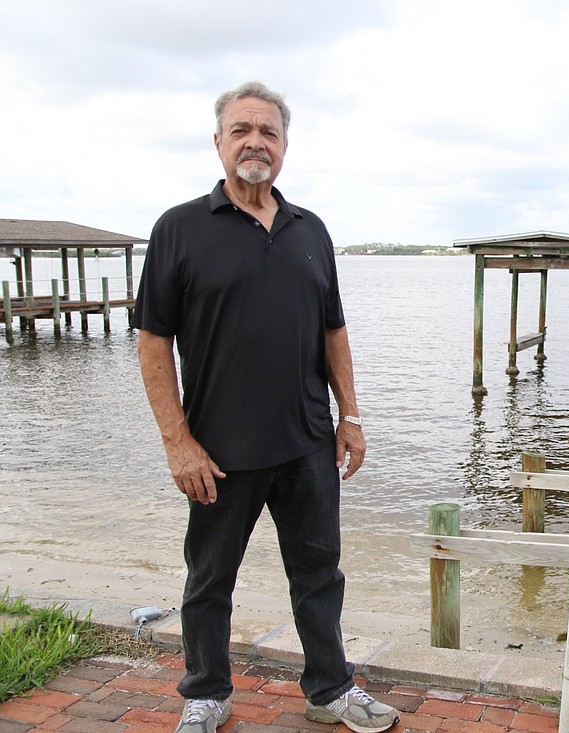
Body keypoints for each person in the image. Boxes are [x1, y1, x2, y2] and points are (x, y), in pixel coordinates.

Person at [134, 81, 398, 733]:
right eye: (242, 130)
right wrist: (176, 440)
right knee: (209, 578)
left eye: (269, 132)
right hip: (218, 451)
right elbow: (152, 339)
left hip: (308, 442)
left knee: (318, 574)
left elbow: (333, 329)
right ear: (219, 142)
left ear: (285, 145)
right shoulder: (181, 229)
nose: (256, 142)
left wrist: (351, 416)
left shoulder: (312, 230)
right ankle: (205, 693)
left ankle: (330, 689)